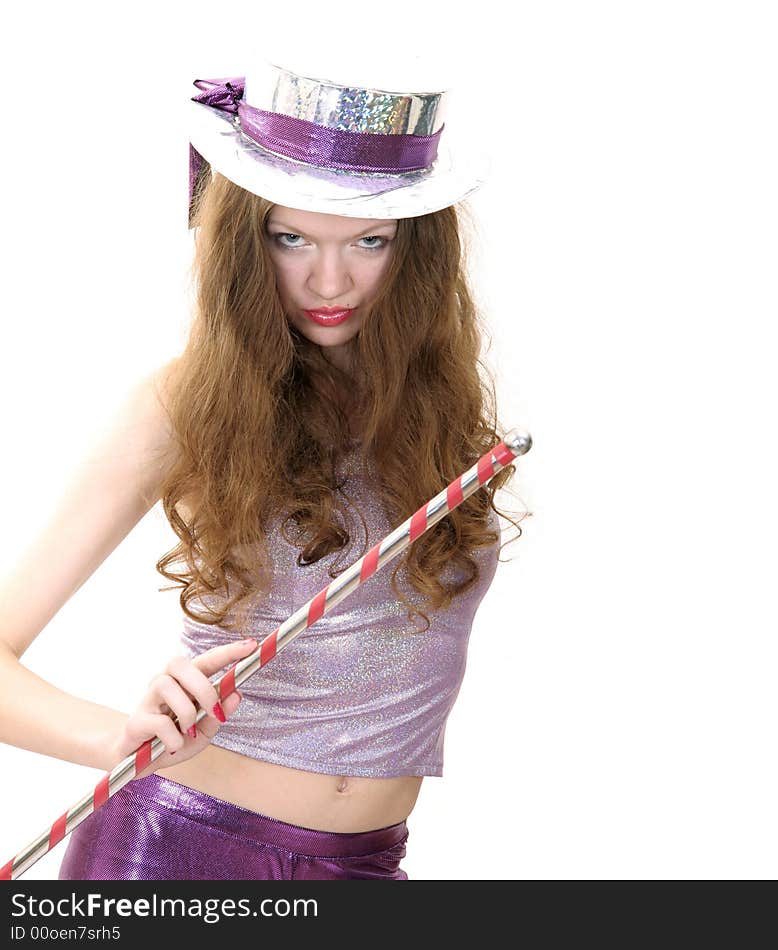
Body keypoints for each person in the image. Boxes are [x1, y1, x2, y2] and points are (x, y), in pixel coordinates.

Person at [0, 54, 520, 880]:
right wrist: (119, 735)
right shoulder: (182, 406)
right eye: (291, 238)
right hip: (177, 850)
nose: (330, 279)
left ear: (415, 248)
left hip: (368, 864)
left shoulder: (446, 421)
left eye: (369, 241)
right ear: (249, 241)